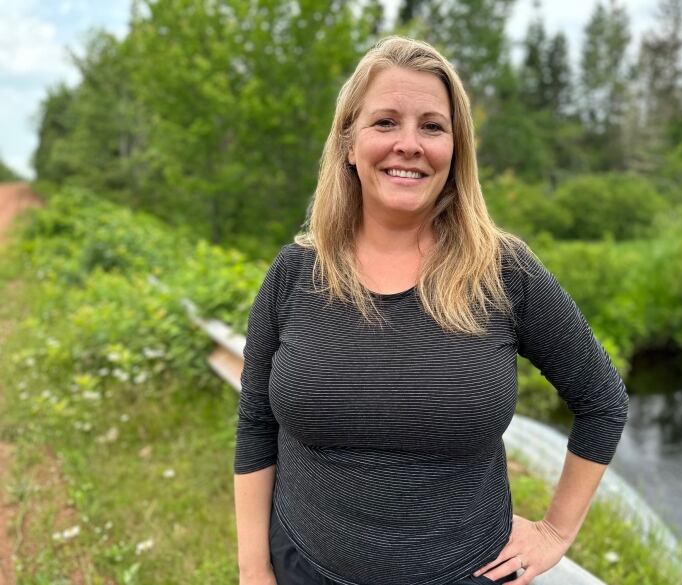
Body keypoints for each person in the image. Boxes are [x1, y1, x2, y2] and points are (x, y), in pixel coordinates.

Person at [234, 36, 628, 585]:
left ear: (455, 150)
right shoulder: (295, 274)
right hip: (305, 567)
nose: (409, 144)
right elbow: (256, 424)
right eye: (385, 122)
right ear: (348, 144)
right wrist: (253, 569)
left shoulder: (504, 271)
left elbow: (602, 401)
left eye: (433, 126)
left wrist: (556, 532)